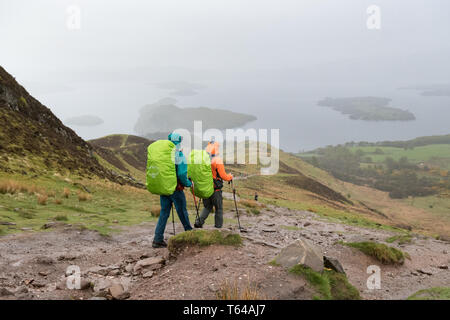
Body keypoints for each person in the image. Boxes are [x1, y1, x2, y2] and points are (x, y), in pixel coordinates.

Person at [153, 132, 193, 248]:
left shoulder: (164, 155)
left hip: (164, 188)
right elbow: (181, 174)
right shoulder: (179, 155)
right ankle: (189, 233)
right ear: (179, 141)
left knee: (164, 213)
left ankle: (157, 239)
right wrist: (189, 183)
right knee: (182, 211)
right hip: (176, 189)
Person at [194, 141, 233, 229]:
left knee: (207, 206)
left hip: (205, 187)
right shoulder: (217, 160)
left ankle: (199, 222)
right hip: (216, 189)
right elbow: (223, 176)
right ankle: (218, 227)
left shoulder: (203, 159)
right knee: (218, 208)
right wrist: (230, 176)